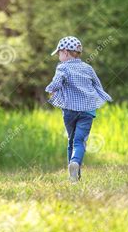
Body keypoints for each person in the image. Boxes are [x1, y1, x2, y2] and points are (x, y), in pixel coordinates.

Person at [45, 36, 112, 182]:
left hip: (69, 110)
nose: (58, 56)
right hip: (87, 110)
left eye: (59, 53)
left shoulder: (62, 67)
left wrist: (51, 90)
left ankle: (73, 175)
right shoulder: (88, 68)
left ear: (65, 52)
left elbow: (56, 84)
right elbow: (97, 85)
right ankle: (75, 163)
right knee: (80, 141)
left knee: (71, 140)